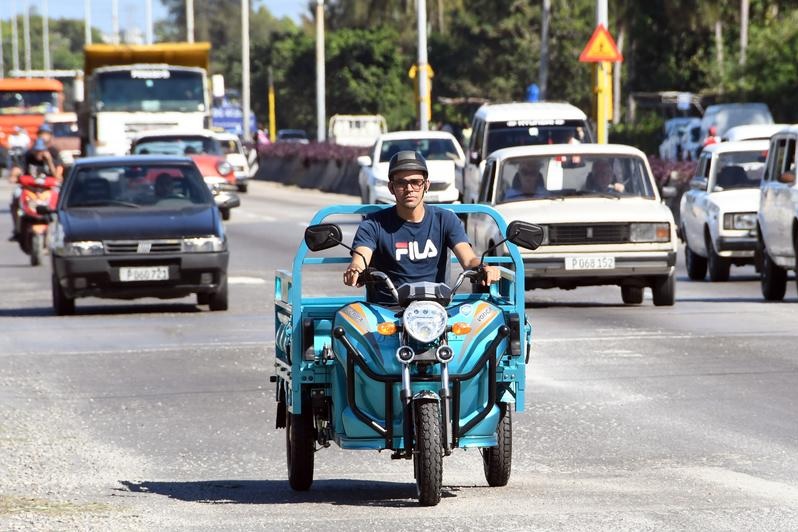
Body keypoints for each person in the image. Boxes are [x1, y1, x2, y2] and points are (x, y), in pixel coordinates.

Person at [343, 150, 501, 304]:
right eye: (401, 183)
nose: (409, 189)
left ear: (426, 185)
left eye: (416, 182)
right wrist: (355, 270)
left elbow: (469, 259)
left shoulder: (445, 219)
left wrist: (484, 268)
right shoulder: (373, 224)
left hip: (435, 307)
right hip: (386, 311)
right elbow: (360, 260)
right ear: (391, 188)